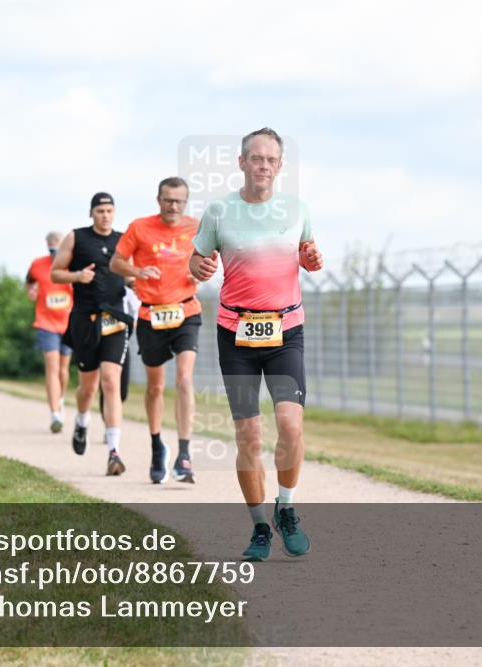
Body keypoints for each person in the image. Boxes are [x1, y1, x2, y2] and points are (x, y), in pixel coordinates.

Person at [189, 127, 324, 561]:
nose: (264, 166)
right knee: (248, 435)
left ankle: (286, 507)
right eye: (256, 158)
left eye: (272, 160)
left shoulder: (297, 209)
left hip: (285, 332)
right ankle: (261, 527)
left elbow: (308, 253)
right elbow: (197, 259)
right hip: (236, 334)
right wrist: (200, 266)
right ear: (242, 162)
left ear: (280, 166)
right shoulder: (218, 211)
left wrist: (312, 259)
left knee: (290, 426)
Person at [110, 176, 200, 484]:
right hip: (151, 315)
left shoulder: (196, 228)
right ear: (158, 200)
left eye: (179, 201)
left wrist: (203, 270)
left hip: (186, 310)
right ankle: (156, 445)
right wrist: (136, 271)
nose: (173, 206)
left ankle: (184, 454)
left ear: (185, 202)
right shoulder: (139, 227)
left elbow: (210, 261)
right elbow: (116, 263)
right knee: (155, 387)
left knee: (185, 378)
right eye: (168, 200)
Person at [51, 192, 130, 476]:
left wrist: (134, 279)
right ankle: (82, 420)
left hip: (115, 319)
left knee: (110, 381)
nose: (105, 215)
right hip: (85, 319)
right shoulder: (76, 237)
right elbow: (55, 273)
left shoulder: (124, 240)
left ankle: (113, 452)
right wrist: (76, 276)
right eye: (100, 211)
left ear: (114, 212)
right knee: (88, 386)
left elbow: (130, 274)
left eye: (109, 210)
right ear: (91, 213)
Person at [26, 233, 74, 433]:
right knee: (52, 366)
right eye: (51, 250)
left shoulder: (72, 264)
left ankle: (60, 399)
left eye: (57, 250)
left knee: (63, 370)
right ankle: (54, 414)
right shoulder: (37, 264)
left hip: (68, 323)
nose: (54, 254)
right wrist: (31, 291)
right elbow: (29, 282)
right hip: (45, 322)